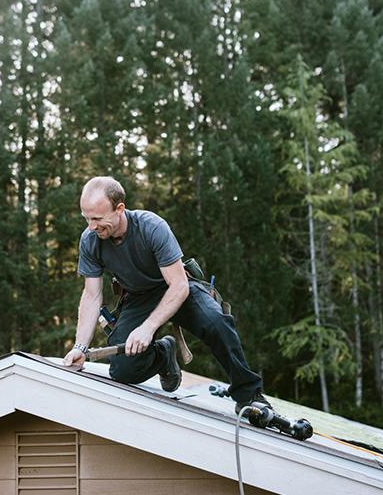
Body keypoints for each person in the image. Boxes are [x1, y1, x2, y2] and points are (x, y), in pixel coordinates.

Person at [62, 176, 277, 419]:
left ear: (119, 209)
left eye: (98, 219)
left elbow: (178, 284)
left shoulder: (151, 227)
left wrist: (149, 327)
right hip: (139, 297)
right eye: (87, 218)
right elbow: (91, 296)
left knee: (217, 323)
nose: (91, 226)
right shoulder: (90, 240)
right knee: (123, 371)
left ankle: (249, 395)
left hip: (176, 288)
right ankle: (164, 354)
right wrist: (80, 347)